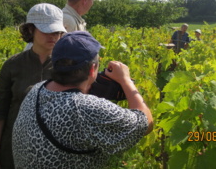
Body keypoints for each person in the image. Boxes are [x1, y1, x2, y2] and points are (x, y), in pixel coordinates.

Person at [12, 31, 153, 169]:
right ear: (92, 69)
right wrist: (126, 80)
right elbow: (145, 124)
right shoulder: (85, 108)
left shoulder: (36, 89)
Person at [0, 3, 67, 169]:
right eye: (47, 30)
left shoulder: (67, 67)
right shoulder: (12, 65)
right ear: (30, 30)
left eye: (58, 32)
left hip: (53, 154)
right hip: (12, 150)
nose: (54, 36)